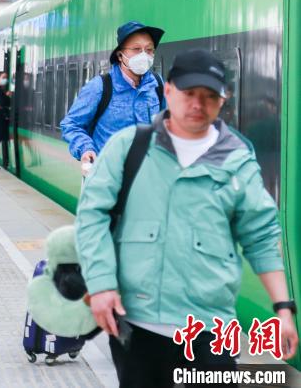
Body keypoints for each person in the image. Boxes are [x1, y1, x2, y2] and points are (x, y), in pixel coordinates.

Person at [75, 49, 298, 388]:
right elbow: (92, 216)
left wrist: (283, 308)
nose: (198, 103)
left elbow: (261, 237)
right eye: (189, 92)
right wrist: (102, 284)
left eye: (209, 96)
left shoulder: (238, 159)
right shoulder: (129, 147)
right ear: (168, 91)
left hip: (210, 329)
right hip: (138, 325)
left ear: (223, 100)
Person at [60, 21, 166, 175]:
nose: (144, 55)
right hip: (107, 176)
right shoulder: (100, 87)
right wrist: (85, 148)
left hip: (146, 176)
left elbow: (168, 123)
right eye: (136, 49)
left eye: (149, 50)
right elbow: (71, 124)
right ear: (120, 55)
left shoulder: (157, 84)